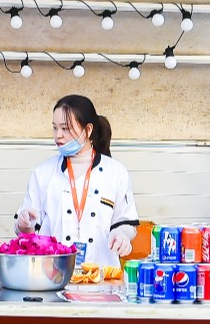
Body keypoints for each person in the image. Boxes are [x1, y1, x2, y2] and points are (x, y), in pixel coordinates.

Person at [16, 95, 139, 268]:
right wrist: (24, 224)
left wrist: (122, 234)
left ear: (88, 130)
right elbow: (28, 232)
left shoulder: (116, 172)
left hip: (102, 277)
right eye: (55, 128)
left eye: (66, 128)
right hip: (52, 275)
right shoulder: (42, 173)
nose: (58, 135)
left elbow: (127, 222)